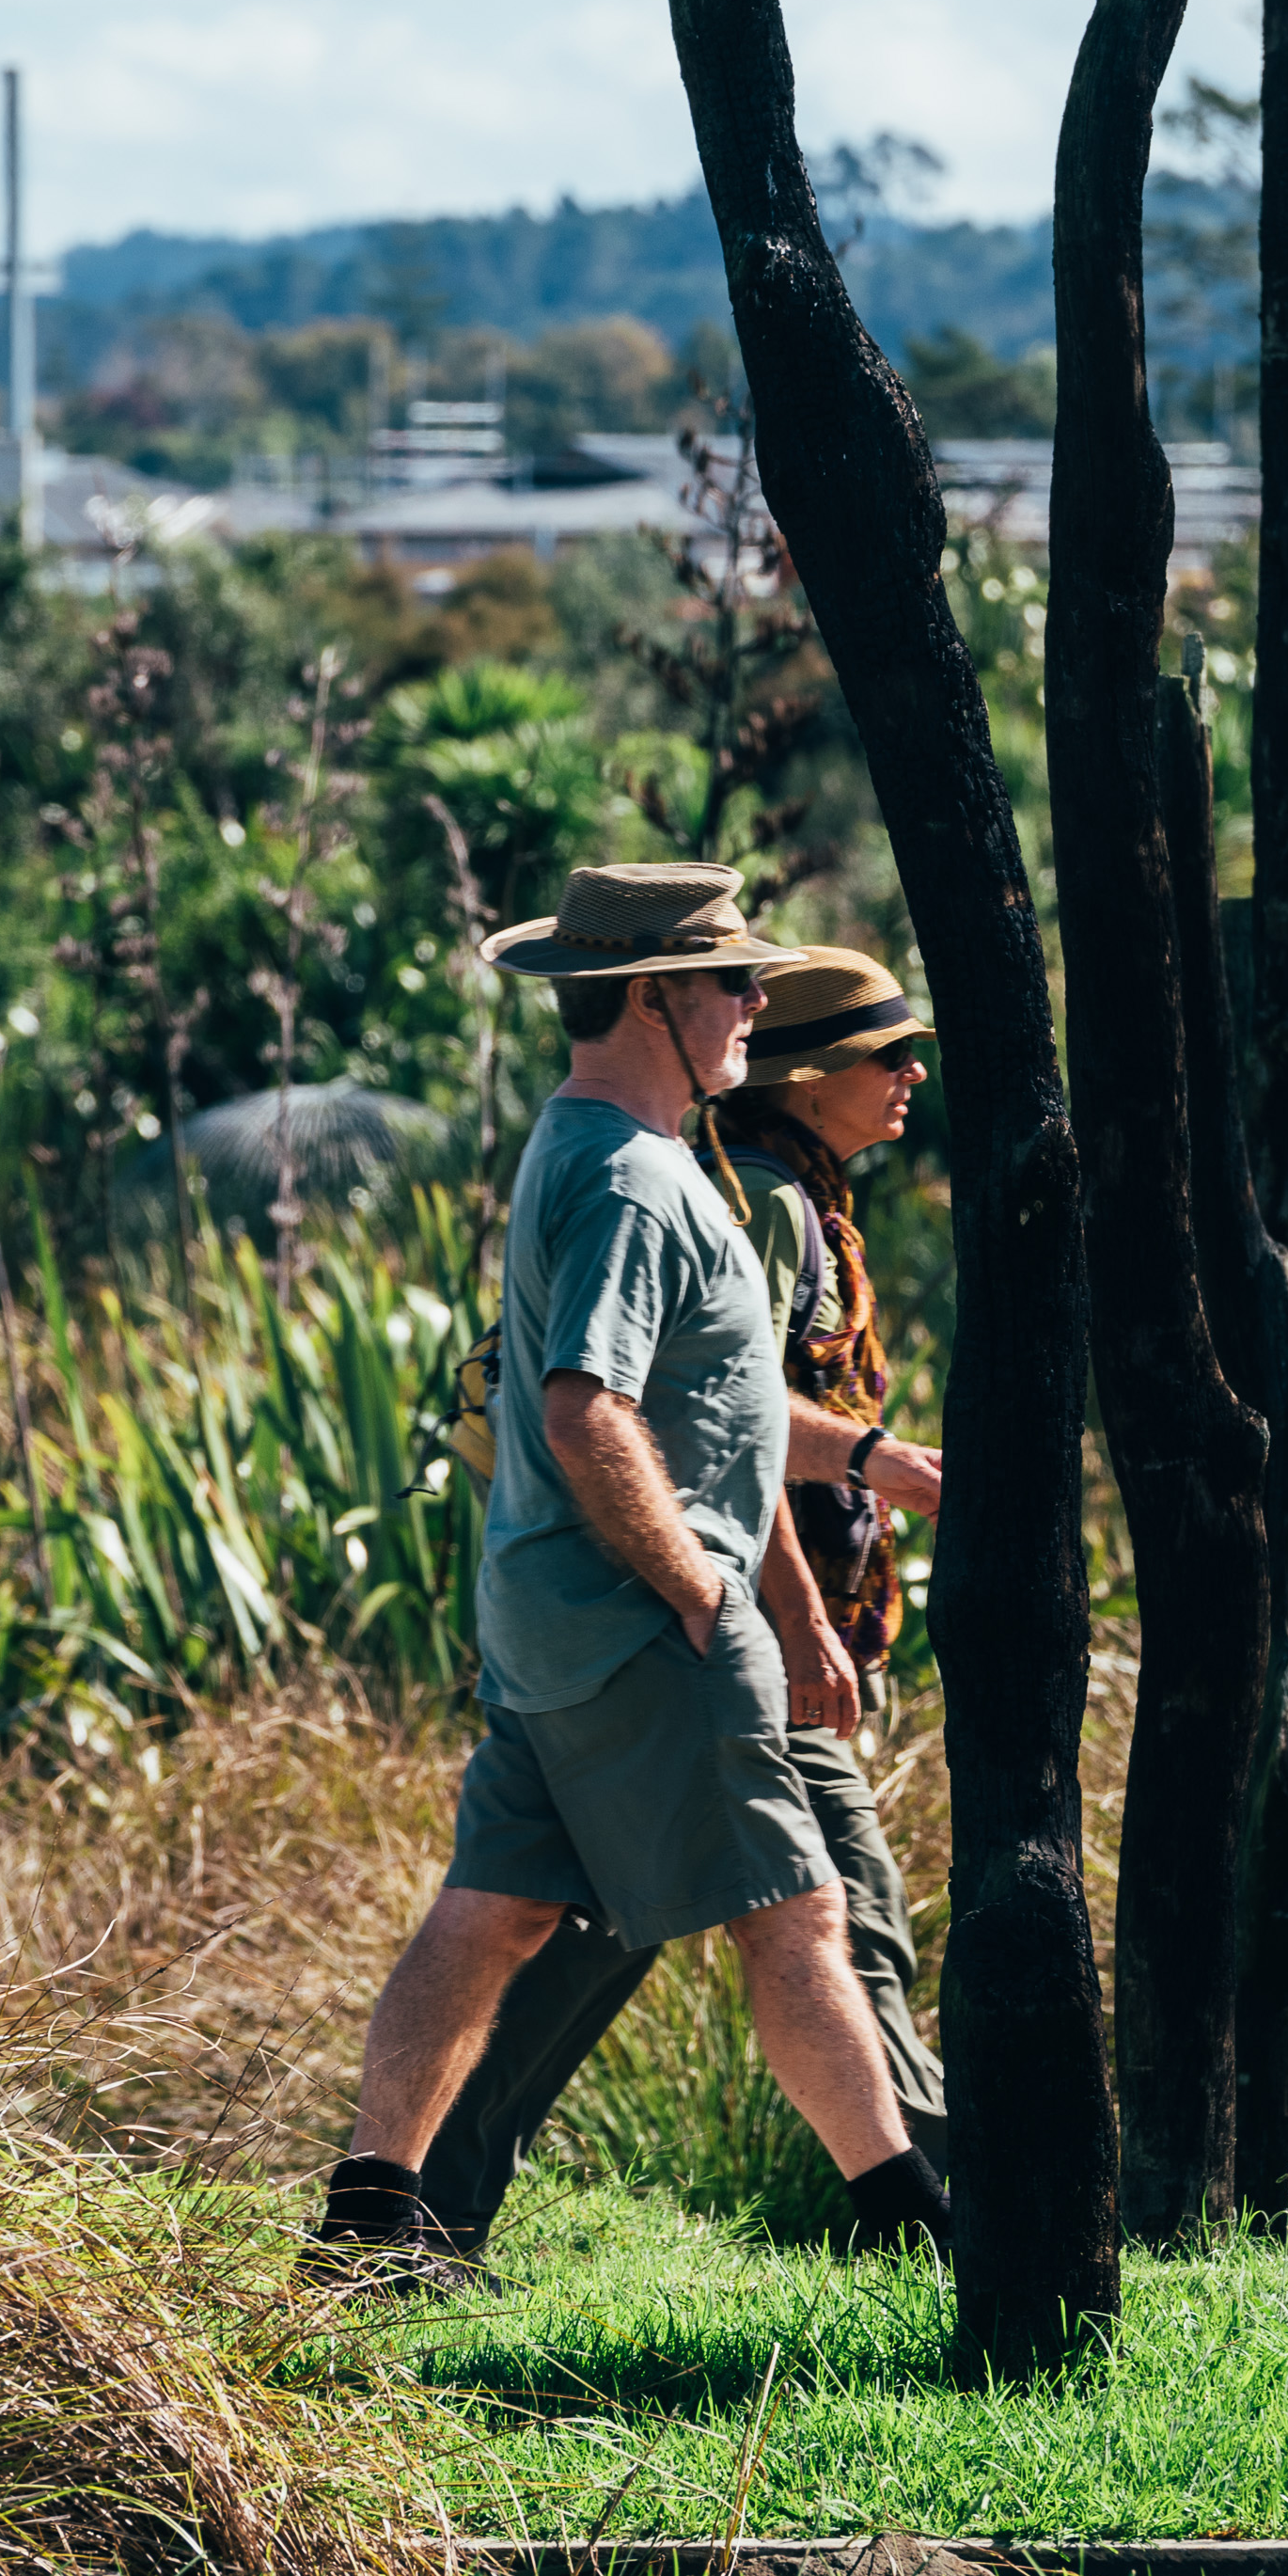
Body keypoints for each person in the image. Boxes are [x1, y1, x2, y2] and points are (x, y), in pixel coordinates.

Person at [310, 867, 956, 2274]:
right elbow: (584, 1405)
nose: (755, 1007)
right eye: (734, 982)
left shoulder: (590, 1143)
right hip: (640, 1620)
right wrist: (703, 1593)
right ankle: (929, 2236)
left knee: (493, 1912)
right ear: (655, 997)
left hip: (549, 1617)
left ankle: (364, 2229)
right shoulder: (630, 1179)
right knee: (801, 1915)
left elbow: (715, 1408)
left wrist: (853, 1480)